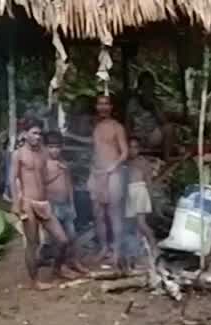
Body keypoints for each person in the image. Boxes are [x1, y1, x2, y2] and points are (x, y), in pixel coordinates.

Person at [11, 123, 75, 288]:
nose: (38, 137)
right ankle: (34, 281)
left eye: (39, 134)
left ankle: (57, 269)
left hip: (44, 203)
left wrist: (61, 170)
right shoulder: (18, 155)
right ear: (25, 134)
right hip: (27, 202)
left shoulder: (43, 153)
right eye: (34, 133)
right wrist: (15, 204)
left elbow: (48, 174)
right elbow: (12, 179)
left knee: (62, 240)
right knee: (33, 244)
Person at [89, 94, 129, 268]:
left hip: (113, 173)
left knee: (114, 214)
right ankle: (104, 248)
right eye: (100, 104)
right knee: (98, 215)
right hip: (96, 173)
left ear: (111, 107)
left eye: (106, 104)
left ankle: (117, 251)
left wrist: (114, 166)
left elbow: (125, 152)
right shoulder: (96, 127)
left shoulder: (117, 127)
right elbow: (96, 150)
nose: (103, 107)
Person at [43, 132, 88, 275]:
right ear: (45, 147)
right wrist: (57, 172)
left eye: (57, 147)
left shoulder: (64, 163)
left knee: (72, 237)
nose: (54, 150)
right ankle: (59, 266)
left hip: (66, 205)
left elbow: (69, 184)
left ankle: (74, 261)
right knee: (59, 239)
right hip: (52, 205)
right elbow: (42, 184)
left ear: (61, 147)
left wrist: (72, 203)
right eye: (50, 147)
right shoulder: (43, 164)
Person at [124, 137, 159, 268]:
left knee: (141, 223)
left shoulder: (143, 162)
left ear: (139, 149)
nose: (132, 150)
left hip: (139, 191)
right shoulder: (125, 162)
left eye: (135, 147)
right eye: (130, 147)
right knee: (133, 225)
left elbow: (149, 181)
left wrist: (149, 197)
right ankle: (138, 253)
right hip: (129, 192)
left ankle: (154, 245)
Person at [126, 71, 176, 160]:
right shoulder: (133, 102)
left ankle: (167, 157)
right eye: (145, 86)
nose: (147, 89)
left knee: (170, 128)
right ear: (140, 87)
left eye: (150, 86)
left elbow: (164, 122)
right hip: (137, 138)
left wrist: (154, 106)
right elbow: (128, 122)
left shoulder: (156, 101)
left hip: (151, 137)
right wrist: (131, 138)